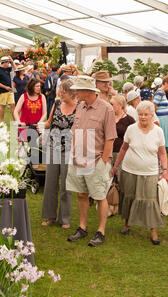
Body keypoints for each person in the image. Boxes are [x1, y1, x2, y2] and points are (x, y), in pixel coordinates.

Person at [65, 75, 117, 247]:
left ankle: (100, 231)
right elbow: (75, 131)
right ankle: (82, 227)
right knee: (81, 194)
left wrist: (103, 162)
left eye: (77, 90)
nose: (75, 93)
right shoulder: (80, 106)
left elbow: (110, 139)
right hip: (78, 158)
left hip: (96, 161)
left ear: (87, 91)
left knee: (100, 195)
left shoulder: (106, 109)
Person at [113, 101, 168, 244]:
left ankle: (153, 231)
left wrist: (165, 171)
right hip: (129, 170)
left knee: (151, 200)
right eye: (140, 114)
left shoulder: (158, 131)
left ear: (152, 115)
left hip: (150, 172)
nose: (143, 117)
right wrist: (116, 165)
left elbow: (162, 153)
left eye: (146, 114)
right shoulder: (131, 129)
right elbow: (124, 148)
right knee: (129, 197)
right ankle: (127, 224)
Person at [41, 79, 78, 229]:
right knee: (50, 182)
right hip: (52, 146)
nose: (60, 94)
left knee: (66, 185)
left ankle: (65, 218)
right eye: (60, 91)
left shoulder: (79, 108)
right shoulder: (56, 104)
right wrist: (39, 126)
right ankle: (50, 216)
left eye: (63, 92)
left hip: (68, 149)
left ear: (72, 93)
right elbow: (49, 122)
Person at [108, 94, 135, 217]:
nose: (110, 106)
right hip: (108, 152)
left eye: (112, 104)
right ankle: (109, 205)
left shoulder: (129, 120)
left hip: (122, 153)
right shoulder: (108, 117)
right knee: (108, 179)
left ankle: (120, 205)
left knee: (121, 179)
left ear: (119, 105)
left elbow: (134, 137)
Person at [153, 75, 168, 151]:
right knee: (161, 135)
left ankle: (163, 149)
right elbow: (154, 106)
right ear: (165, 83)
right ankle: (161, 149)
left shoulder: (163, 93)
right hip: (160, 118)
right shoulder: (159, 93)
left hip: (165, 118)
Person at [0, 56, 16, 123]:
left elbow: (15, 68)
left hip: (10, 90)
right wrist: (5, 87)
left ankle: (15, 120)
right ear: (4, 62)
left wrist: (12, 61)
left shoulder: (7, 68)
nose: (9, 64)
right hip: (2, 91)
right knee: (3, 106)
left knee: (13, 105)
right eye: (8, 62)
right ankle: (2, 121)